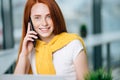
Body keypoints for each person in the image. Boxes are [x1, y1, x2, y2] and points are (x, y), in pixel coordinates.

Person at [14, 0, 89, 80]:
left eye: (49, 16)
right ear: (30, 22)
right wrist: (24, 54)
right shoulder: (31, 49)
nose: (44, 23)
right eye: (37, 18)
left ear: (56, 17)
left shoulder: (73, 44)